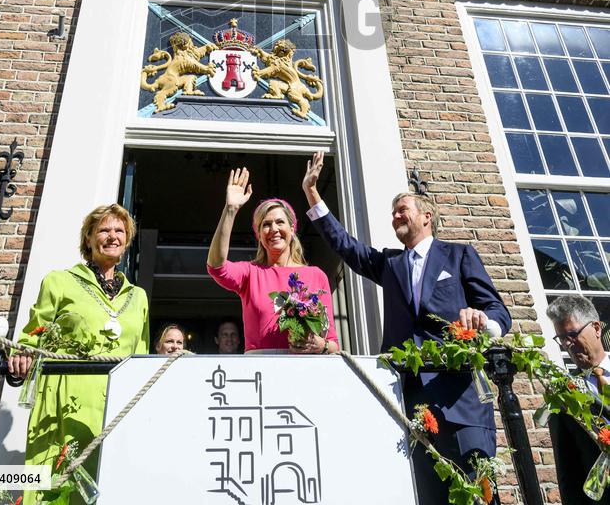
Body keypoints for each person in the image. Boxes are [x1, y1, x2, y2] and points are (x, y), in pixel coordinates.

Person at [302, 151, 511, 505]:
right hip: (409, 403)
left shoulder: (459, 255)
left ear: (427, 216)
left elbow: (497, 311)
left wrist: (483, 323)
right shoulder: (390, 264)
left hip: (461, 404)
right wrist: (313, 195)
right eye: (393, 212)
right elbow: (346, 247)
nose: (396, 215)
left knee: (476, 497)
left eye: (403, 209)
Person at [6, 204, 150, 503]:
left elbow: (141, 356)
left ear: (128, 240)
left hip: (115, 405)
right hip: (64, 401)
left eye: (120, 230)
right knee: (56, 486)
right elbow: (33, 335)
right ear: (88, 239)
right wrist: (23, 355)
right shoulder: (59, 281)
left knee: (110, 485)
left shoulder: (138, 297)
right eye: (104, 230)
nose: (112, 236)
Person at [207, 166, 339, 353]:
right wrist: (230, 210)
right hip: (260, 371)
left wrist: (320, 345)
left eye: (280, 222)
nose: (274, 229)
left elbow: (332, 343)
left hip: (305, 369)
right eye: (266, 225)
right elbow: (216, 266)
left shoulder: (316, 275)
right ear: (259, 235)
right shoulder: (251, 273)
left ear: (292, 229)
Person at [546, 294, 610, 505]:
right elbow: (568, 470)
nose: (567, 343)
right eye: (561, 338)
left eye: (572, 334)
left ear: (597, 328)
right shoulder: (563, 396)